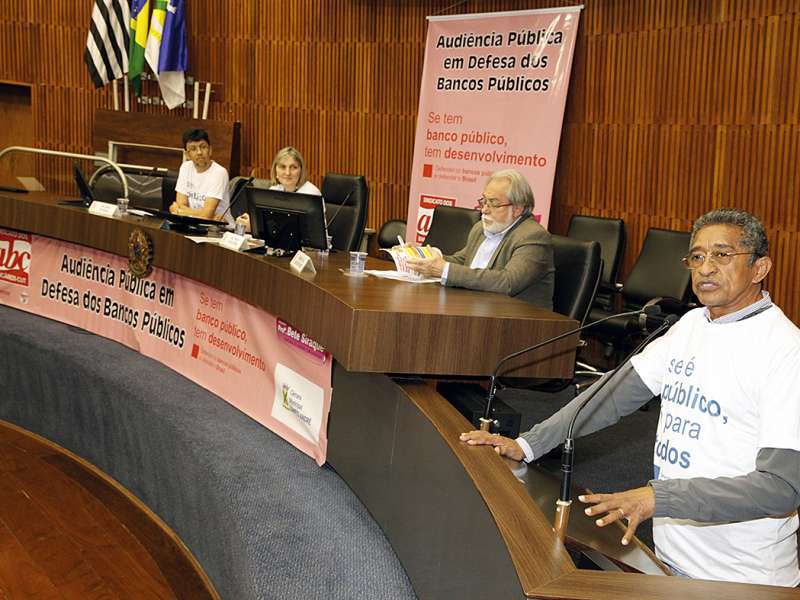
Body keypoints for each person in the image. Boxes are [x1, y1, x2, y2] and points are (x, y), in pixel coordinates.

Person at [460, 208, 800, 587]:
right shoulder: (691, 326)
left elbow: (780, 488)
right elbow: (610, 396)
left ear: (760, 268)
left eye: (722, 255)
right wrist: (528, 445)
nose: (706, 268)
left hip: (742, 578)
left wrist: (660, 498)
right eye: (697, 257)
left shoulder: (784, 351)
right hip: (669, 560)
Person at [405, 169, 554, 310]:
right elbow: (463, 261)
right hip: (476, 308)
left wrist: (444, 270)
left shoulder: (533, 237)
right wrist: (424, 256)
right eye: (484, 202)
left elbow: (507, 282)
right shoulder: (480, 228)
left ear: (517, 209)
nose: (484, 210)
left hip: (519, 322)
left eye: (494, 204)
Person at [235, 147, 320, 232]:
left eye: (293, 167)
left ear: (301, 171)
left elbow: (299, 230)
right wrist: (251, 222)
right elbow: (268, 223)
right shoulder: (274, 190)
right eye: (283, 167)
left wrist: (254, 227)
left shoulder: (311, 194)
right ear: (275, 171)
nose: (287, 173)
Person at [170, 128, 230, 222]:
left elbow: (206, 216)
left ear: (210, 150)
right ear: (187, 155)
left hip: (220, 228)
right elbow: (181, 204)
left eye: (203, 147)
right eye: (193, 149)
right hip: (193, 224)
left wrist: (180, 211)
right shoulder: (185, 168)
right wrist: (200, 214)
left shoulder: (219, 173)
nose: (199, 152)